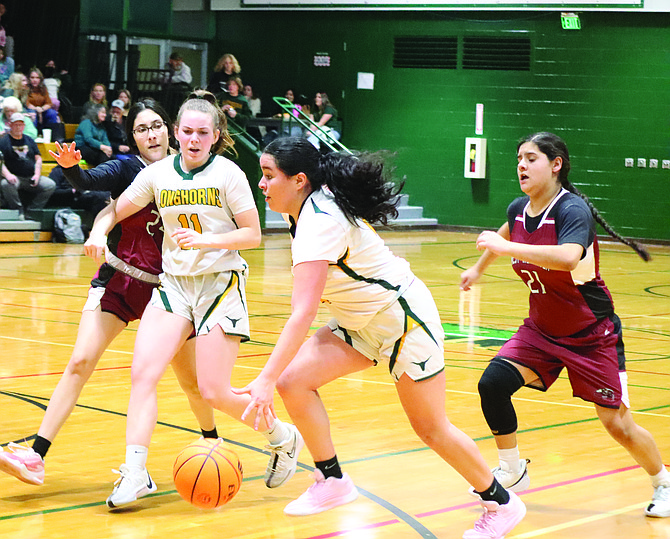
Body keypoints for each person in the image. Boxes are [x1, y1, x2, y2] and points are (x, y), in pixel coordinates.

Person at [234, 137, 526, 539]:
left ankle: (501, 503)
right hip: (359, 321)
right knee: (294, 382)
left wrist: (263, 378)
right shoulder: (302, 208)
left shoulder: (319, 222)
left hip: (403, 321)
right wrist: (273, 377)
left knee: (431, 428)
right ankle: (333, 480)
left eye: (268, 175)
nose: (262, 184)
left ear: (299, 180)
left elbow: (303, 312)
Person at [84, 91, 303, 509]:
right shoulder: (158, 174)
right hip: (175, 287)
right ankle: (135, 473)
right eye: (186, 131)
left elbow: (253, 236)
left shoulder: (230, 175)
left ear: (216, 135)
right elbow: (115, 209)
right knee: (142, 375)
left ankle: (282, 437)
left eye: (203, 132)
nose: (193, 139)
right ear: (176, 133)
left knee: (214, 391)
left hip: (219, 285)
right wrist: (98, 232)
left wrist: (208, 239)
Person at [0, 98, 219, 487]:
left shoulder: (190, 172)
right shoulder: (128, 168)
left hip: (167, 292)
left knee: (192, 381)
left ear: (168, 129)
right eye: (140, 129)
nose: (150, 134)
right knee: (80, 362)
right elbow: (97, 192)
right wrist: (72, 172)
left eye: (155, 126)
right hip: (118, 280)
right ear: (133, 137)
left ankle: (213, 445)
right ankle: (37, 455)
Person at [459, 131, 670, 519]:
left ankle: (663, 481)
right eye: (519, 158)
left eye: (532, 158)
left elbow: (569, 257)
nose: (522, 165)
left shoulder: (572, 211)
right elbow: (506, 233)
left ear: (556, 164)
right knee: (492, 384)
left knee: (617, 425)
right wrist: (477, 267)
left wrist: (508, 249)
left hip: (592, 335)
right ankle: (512, 469)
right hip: (540, 330)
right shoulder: (518, 208)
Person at [0, 113, 56, 214]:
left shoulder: (29, 140)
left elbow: (38, 159)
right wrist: (7, 175)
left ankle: (33, 210)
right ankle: (18, 210)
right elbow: (0, 162)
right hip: (14, 178)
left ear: (24, 126)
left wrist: (37, 174)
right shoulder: (3, 141)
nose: (18, 127)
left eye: (20, 125)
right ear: (10, 125)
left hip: (30, 177)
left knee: (50, 185)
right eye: (15, 124)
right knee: (5, 184)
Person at [25, 67, 61, 133]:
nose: (34, 80)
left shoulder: (43, 88)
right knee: (32, 114)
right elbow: (27, 103)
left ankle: (52, 135)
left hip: (42, 110)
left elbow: (49, 103)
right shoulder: (26, 88)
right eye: (32, 77)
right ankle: (33, 135)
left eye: (37, 78)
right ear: (29, 78)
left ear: (40, 79)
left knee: (52, 113)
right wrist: (37, 109)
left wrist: (42, 109)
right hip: (30, 110)